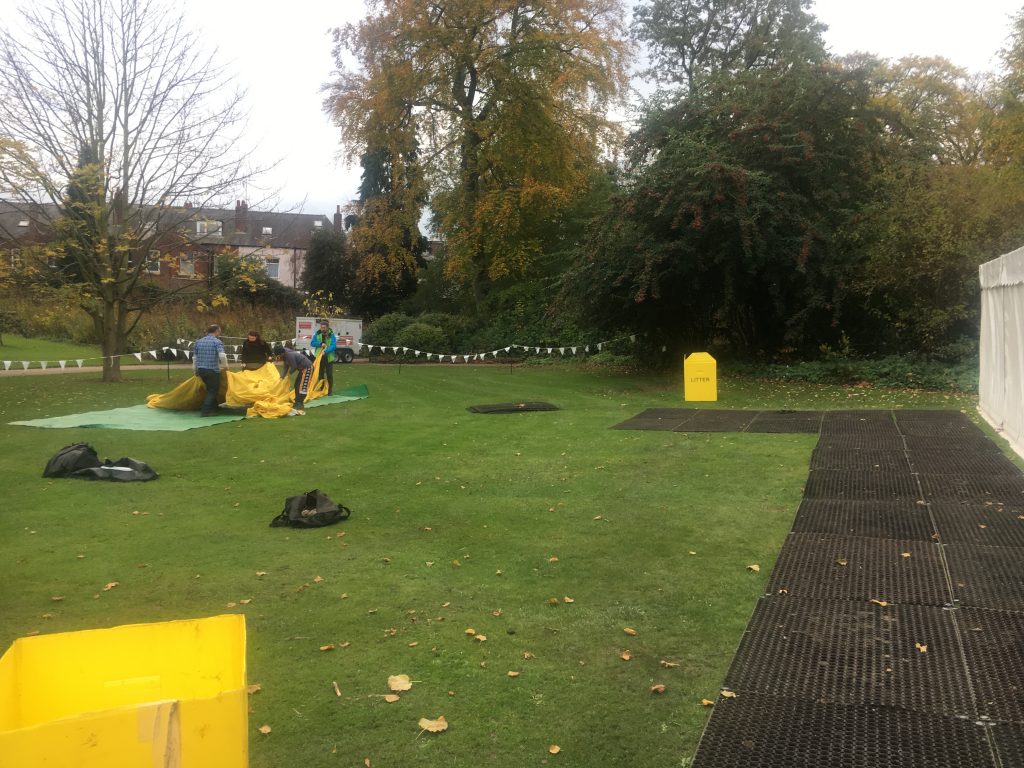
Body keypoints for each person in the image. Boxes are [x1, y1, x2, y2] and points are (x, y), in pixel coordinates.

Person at [193, 324, 228, 416]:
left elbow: (195, 358)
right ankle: (205, 411)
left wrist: (195, 370)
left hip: (201, 370)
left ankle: (215, 408)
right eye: (219, 332)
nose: (219, 333)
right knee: (213, 390)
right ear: (216, 331)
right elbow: (222, 355)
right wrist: (225, 366)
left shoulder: (198, 342)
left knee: (209, 389)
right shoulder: (217, 342)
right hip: (212, 370)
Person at [278, 340, 313, 416]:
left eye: (279, 355)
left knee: (302, 386)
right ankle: (297, 401)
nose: (278, 357)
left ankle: (300, 403)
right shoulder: (285, 356)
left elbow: (294, 366)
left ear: (281, 353)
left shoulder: (289, 355)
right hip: (302, 369)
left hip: (307, 368)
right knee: (296, 385)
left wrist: (288, 374)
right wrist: (281, 377)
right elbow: (285, 367)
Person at [309, 319, 337, 395]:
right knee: (320, 374)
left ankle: (330, 390)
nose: (322, 329)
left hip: (329, 358)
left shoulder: (332, 335)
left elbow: (333, 346)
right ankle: (322, 389)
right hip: (319, 357)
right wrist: (320, 344)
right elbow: (312, 343)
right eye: (321, 327)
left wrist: (326, 351)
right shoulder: (317, 334)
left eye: (324, 327)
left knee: (329, 375)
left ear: (327, 327)